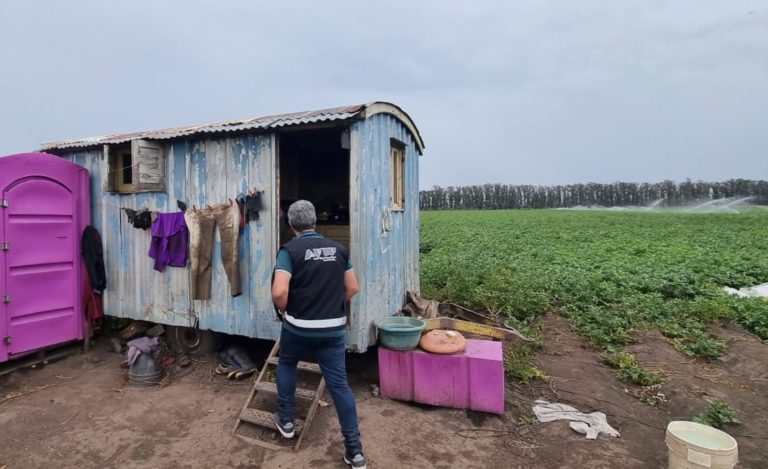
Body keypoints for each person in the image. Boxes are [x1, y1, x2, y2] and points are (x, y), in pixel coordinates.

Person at [272, 200, 366, 469]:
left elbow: (279, 293)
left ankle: (287, 421)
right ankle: (355, 451)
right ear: (316, 222)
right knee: (339, 385)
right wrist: (334, 306)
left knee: (287, 363)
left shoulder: (289, 251)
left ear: (291, 225)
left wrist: (287, 310)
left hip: (298, 327)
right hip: (333, 329)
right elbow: (353, 287)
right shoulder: (339, 249)